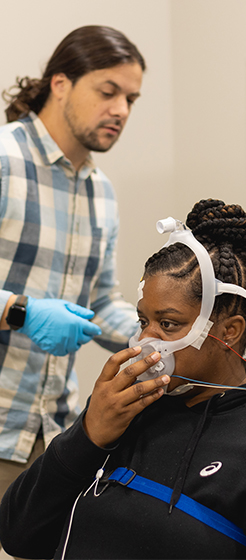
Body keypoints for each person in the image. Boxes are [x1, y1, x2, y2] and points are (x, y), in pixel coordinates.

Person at [0, 199, 246, 559]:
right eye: (143, 322)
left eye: (168, 325)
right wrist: (88, 436)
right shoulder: (126, 411)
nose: (145, 341)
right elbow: (18, 535)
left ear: (229, 331)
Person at [0, 24, 145, 528]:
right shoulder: (4, 160)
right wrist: (20, 310)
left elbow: (101, 301)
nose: (122, 110)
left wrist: (154, 342)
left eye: (131, 98)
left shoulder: (100, 191)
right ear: (60, 84)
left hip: (54, 434)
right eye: (108, 92)